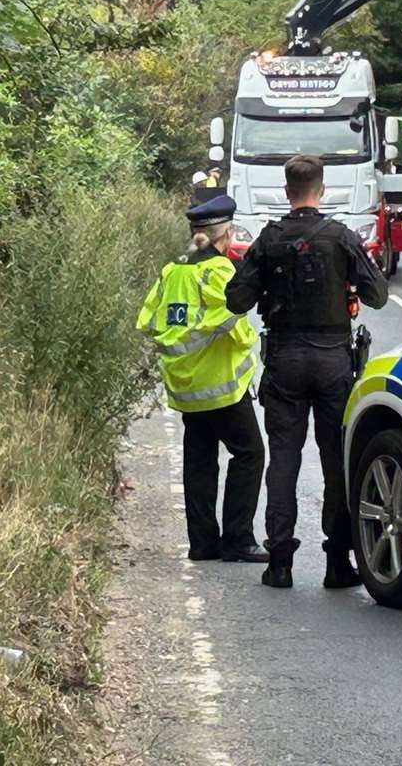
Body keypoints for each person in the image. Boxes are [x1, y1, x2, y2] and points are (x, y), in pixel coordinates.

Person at [226, 154, 388, 589]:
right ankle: (338, 561)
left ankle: (279, 561)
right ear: (322, 190)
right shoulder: (340, 237)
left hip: (284, 361)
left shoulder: (270, 239)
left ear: (286, 191)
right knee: (336, 459)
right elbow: (378, 296)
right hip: (334, 359)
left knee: (283, 460)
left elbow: (236, 299)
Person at [136, 195, 268, 564]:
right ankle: (238, 540)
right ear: (223, 235)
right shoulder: (219, 271)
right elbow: (234, 322)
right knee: (249, 454)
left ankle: (202, 543)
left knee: (200, 459)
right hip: (221, 384)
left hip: (185, 386)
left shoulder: (172, 270)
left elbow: (148, 320)